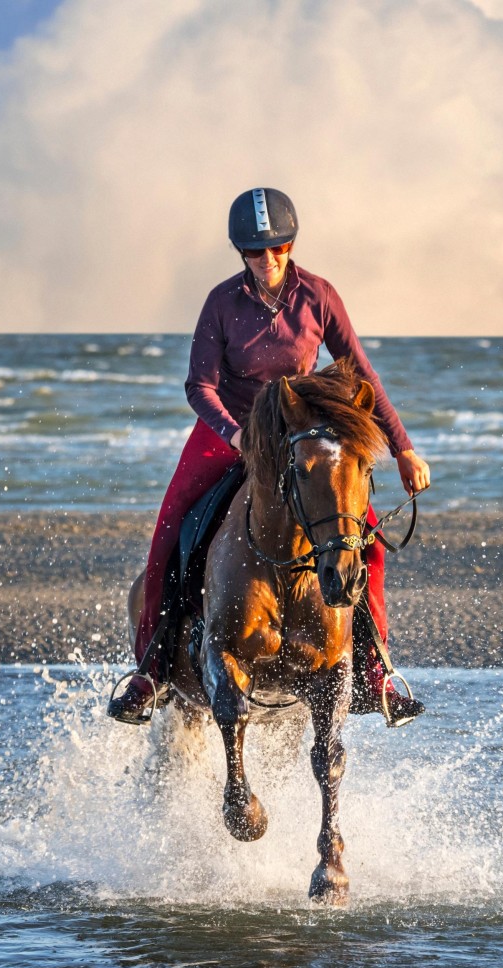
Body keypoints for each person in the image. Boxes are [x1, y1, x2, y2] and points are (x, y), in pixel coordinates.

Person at [108, 187, 431, 727]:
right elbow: (199, 386)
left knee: (364, 538)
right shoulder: (222, 302)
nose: (269, 260)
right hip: (228, 430)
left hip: (297, 430)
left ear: (291, 244)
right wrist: (235, 436)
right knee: (170, 531)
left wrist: (402, 448)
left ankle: (376, 671)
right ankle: (152, 669)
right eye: (257, 251)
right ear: (242, 254)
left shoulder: (319, 296)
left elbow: (361, 374)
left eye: (278, 248)